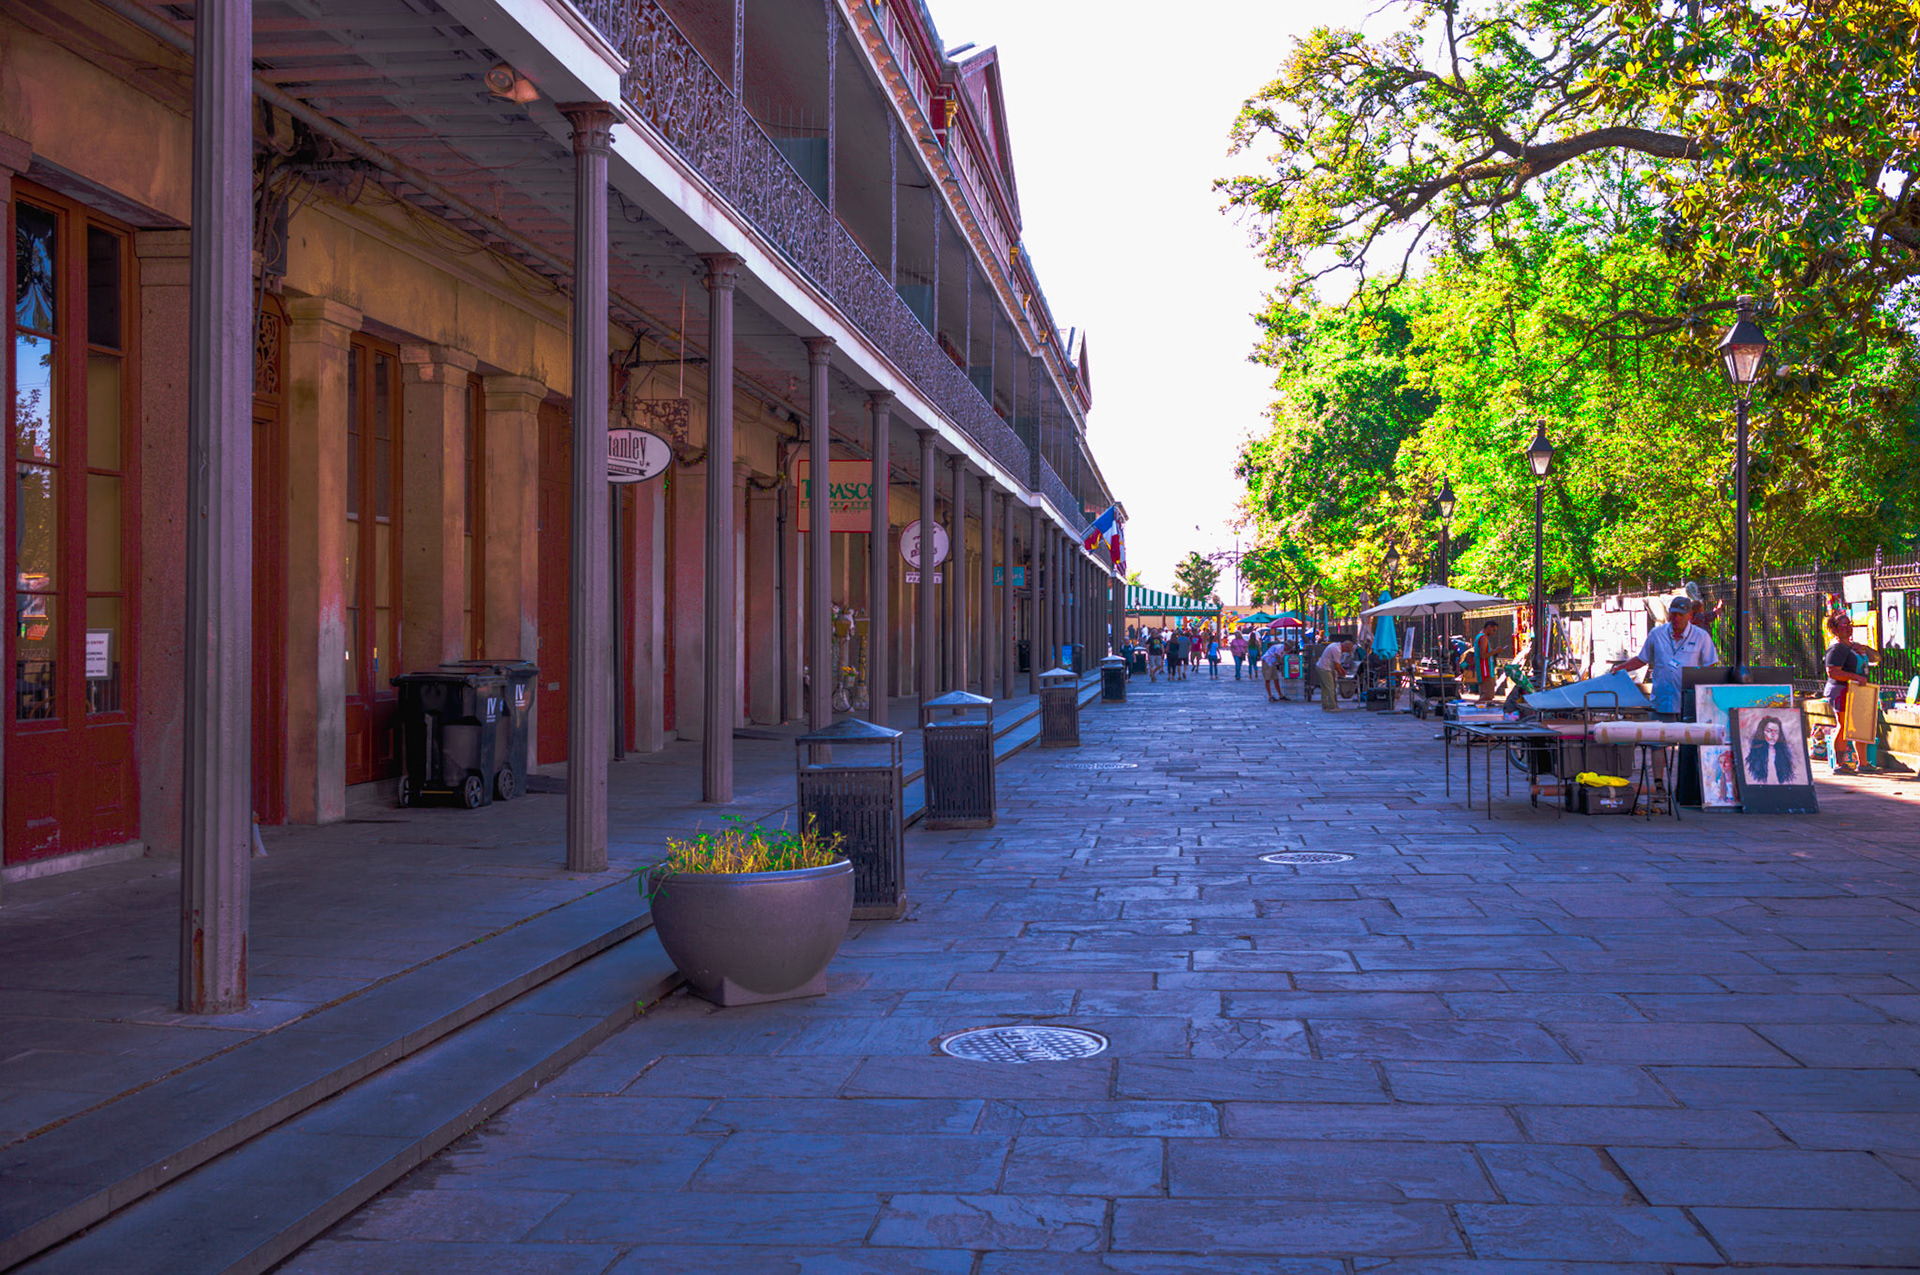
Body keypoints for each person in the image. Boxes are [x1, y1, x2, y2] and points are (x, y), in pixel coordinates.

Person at [1609, 595, 1719, 720]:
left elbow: (1710, 667)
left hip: (1688, 706)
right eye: (1673, 614)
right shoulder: (1656, 634)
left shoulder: (1701, 637)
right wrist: (1619, 668)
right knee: (1658, 732)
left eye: (1681, 615)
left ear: (1690, 615)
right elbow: (1642, 659)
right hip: (1660, 704)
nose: (1676, 618)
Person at [1823, 610, 1877, 774]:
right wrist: (1855, 677)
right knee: (1843, 725)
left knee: (1859, 725)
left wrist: (1864, 648)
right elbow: (1832, 672)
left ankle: (1863, 763)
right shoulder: (1837, 647)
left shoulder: (1851, 646)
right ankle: (1840, 764)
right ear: (1834, 629)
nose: (1848, 628)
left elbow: (1876, 658)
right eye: (1843, 625)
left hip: (1856, 691)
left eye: (1849, 624)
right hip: (1841, 690)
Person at [1743, 714, 1797, 785]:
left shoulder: (1783, 754)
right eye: (1768, 731)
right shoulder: (1756, 754)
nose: (1773, 735)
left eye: (1776, 732)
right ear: (1762, 732)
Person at [1470, 620, 1506, 702]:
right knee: (1488, 696)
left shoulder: (1479, 636)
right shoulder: (1483, 638)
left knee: (1485, 695)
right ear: (1489, 627)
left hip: (1482, 670)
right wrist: (1496, 651)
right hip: (1486, 671)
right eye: (1494, 630)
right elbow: (1483, 655)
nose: (1494, 633)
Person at [1315, 637, 1352, 712]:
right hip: (1325, 668)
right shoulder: (1337, 650)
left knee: (1324, 688)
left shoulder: (1336, 645)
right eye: (1347, 650)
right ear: (1345, 647)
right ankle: (1332, 706)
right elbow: (1336, 665)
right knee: (1330, 687)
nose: (1346, 652)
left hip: (1320, 666)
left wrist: (1342, 670)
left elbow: (1337, 663)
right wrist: (1341, 673)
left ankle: (1325, 705)